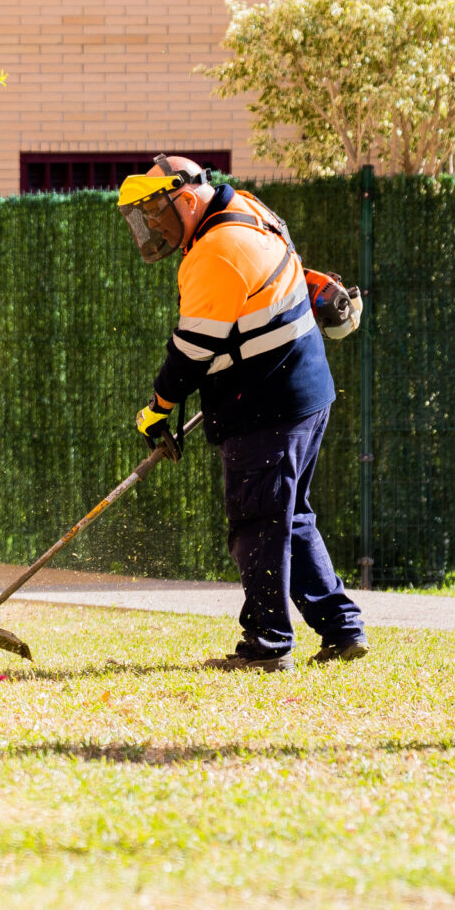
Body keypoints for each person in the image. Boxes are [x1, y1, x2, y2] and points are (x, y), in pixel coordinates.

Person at [115, 155, 367, 672]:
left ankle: (267, 646)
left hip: (269, 405)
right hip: (302, 391)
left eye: (157, 212)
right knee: (289, 518)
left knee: (257, 522)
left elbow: (191, 351)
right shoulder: (245, 207)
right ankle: (343, 631)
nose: (155, 226)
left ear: (186, 198)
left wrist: (158, 409)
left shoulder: (215, 250)